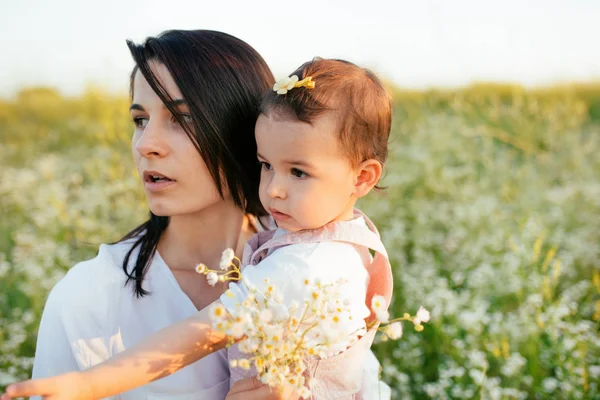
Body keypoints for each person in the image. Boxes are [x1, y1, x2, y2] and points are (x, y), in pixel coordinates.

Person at [3, 57, 393, 399]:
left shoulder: (311, 263)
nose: (146, 146)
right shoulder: (86, 298)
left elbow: (203, 333)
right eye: (139, 120)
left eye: (182, 118)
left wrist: (89, 385)